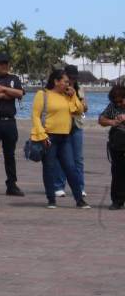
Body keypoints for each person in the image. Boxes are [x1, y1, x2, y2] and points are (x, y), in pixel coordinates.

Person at [31, 69, 89, 209]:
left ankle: (79, 200)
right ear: (56, 81)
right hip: (49, 136)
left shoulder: (67, 95)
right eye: (65, 82)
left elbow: (79, 110)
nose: (67, 84)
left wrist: (74, 95)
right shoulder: (43, 94)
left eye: (68, 82)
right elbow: (35, 116)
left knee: (71, 168)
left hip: (65, 137)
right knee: (49, 168)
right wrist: (42, 135)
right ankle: (51, 199)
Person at [0, 53, 26, 197]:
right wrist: (10, 92)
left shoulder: (14, 78)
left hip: (10, 121)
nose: (4, 66)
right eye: (1, 63)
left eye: (6, 63)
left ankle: (12, 185)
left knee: (10, 155)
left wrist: (5, 90)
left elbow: (20, 93)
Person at [54, 65, 88, 198]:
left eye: (74, 78)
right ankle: (58, 186)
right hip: (62, 125)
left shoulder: (79, 89)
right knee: (61, 157)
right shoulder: (58, 90)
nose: (72, 81)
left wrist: (81, 103)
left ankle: (80, 187)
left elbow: (84, 107)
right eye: (70, 78)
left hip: (76, 125)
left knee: (78, 158)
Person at [99, 85, 125, 210]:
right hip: (117, 144)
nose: (119, 104)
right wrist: (112, 122)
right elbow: (101, 119)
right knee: (117, 172)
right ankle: (117, 200)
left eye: (121, 101)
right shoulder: (112, 106)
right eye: (116, 102)